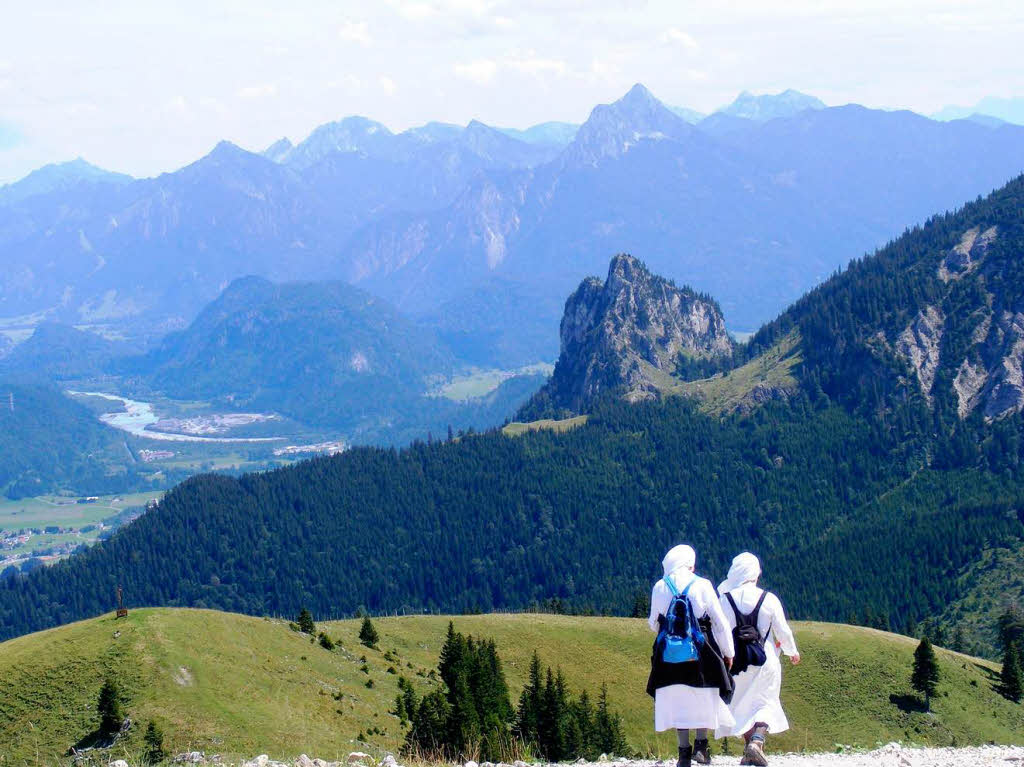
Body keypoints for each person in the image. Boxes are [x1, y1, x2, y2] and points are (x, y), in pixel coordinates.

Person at [647, 544, 735, 767]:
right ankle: (701, 746)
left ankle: (683, 752)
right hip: (700, 647)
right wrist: (728, 652)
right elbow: (720, 622)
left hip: (668, 652)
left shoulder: (660, 586)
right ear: (690, 563)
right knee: (704, 694)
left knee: (677, 696)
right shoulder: (703, 584)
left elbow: (652, 622)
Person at [716, 552, 800, 767]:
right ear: (755, 574)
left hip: (736, 662)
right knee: (766, 702)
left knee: (739, 705)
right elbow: (783, 630)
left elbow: (718, 631)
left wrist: (723, 656)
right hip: (765, 660)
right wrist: (792, 652)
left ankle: (749, 749)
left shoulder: (724, 599)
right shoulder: (769, 599)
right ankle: (757, 741)